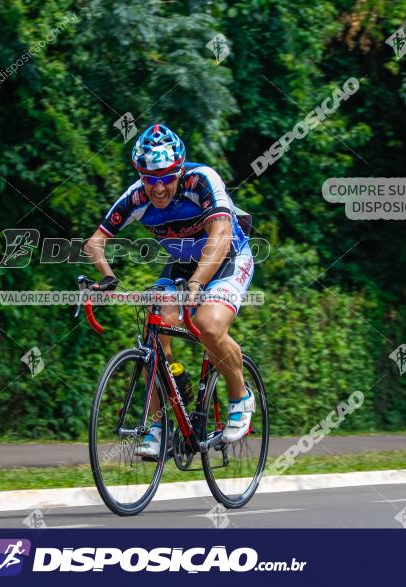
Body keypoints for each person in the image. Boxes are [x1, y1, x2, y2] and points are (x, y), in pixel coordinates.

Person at [83, 123, 255, 458]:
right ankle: (160, 426)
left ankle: (240, 397)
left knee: (208, 325)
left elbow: (219, 236)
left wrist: (197, 284)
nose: (158, 187)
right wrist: (106, 278)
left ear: (179, 170)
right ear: (140, 174)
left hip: (228, 256)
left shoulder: (201, 180)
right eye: (150, 178)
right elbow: (95, 243)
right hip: (181, 264)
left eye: (166, 177)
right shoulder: (134, 197)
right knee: (156, 331)